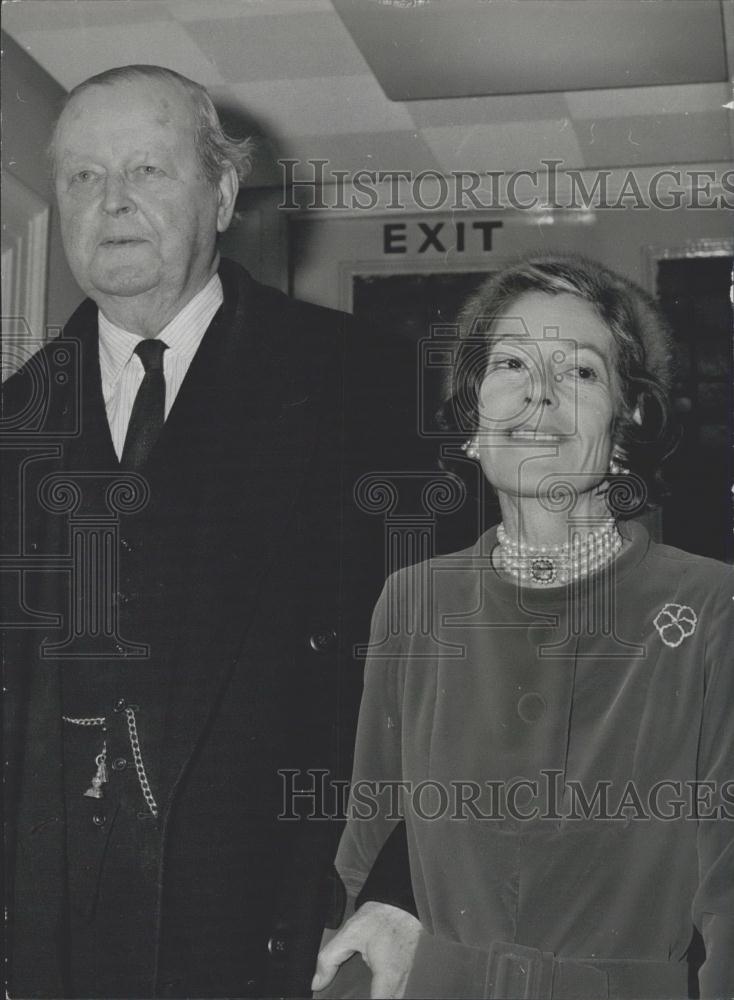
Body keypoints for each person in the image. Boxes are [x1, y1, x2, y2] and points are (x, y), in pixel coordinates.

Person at [1, 64, 410, 999]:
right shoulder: (12, 424)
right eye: (82, 178)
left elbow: (442, 674)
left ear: (224, 194)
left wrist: (399, 897)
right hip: (54, 953)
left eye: (146, 170)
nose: (112, 203)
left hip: (287, 933)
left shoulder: (363, 384)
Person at [312, 254, 734, 999]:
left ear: (627, 420)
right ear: (474, 418)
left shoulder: (710, 607)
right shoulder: (413, 601)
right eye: (510, 364)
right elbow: (367, 839)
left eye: (579, 372)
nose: (539, 394)